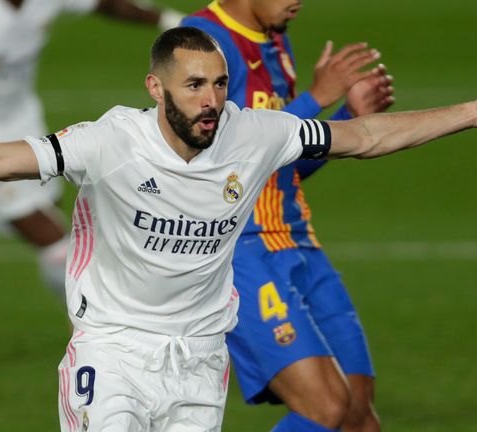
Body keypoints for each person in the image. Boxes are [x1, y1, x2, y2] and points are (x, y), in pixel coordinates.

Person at [0, 27, 477, 432]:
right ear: (157, 88)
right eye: (195, 85)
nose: (211, 99)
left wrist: (470, 113)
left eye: (220, 84)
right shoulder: (110, 141)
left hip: (198, 363)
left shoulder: (256, 136)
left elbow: (366, 138)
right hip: (114, 352)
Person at [182, 1, 391, 430]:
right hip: (241, 249)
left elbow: (283, 161)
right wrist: (315, 97)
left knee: (357, 418)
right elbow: (215, 157)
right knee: (326, 407)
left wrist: (349, 116)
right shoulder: (202, 39)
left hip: (296, 239)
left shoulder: (276, 42)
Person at [0, 0, 185, 293]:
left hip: (22, 121)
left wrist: (171, 20)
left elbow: (106, 5)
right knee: (55, 240)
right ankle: (84, 334)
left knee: (41, 212)